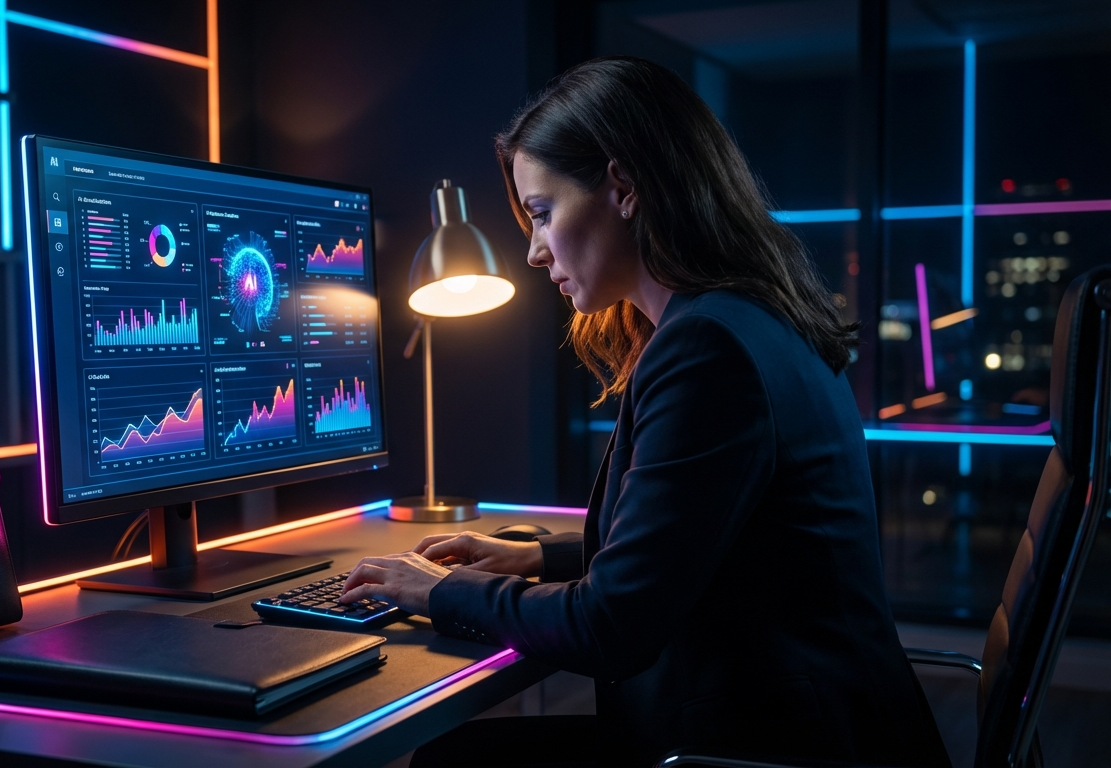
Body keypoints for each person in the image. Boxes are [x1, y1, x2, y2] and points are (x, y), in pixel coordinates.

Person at [339, 56, 950, 767]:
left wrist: (443, 592)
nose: (535, 252)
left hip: (769, 747)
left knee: (457, 759)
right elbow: (704, 540)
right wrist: (538, 556)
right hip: (806, 722)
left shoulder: (707, 349)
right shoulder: (744, 318)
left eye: (541, 213)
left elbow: (612, 627)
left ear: (623, 187)